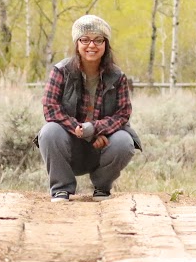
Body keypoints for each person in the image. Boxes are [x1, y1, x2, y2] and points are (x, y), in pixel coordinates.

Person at [37, 15, 140, 201]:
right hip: (70, 143)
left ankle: (102, 186)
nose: (91, 45)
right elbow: (50, 108)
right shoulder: (61, 71)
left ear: (105, 44)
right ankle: (62, 188)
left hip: (102, 145)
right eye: (85, 40)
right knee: (49, 132)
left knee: (125, 141)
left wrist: (96, 128)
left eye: (98, 40)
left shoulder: (117, 77)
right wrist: (84, 131)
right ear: (77, 43)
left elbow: (123, 114)